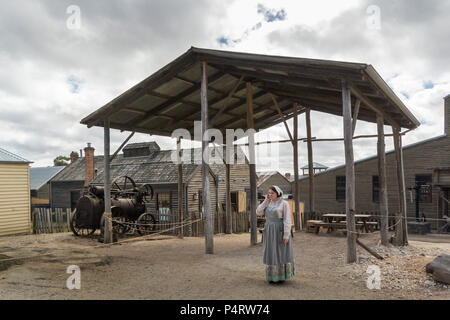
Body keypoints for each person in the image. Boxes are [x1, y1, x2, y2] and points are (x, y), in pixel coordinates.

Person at [256, 185, 295, 284]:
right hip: (269, 230)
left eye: (272, 193)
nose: (270, 194)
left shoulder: (284, 203)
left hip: (279, 230)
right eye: (269, 193)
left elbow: (287, 219)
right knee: (271, 252)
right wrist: (265, 201)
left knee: (280, 252)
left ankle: (281, 276)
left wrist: (286, 235)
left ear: (278, 193)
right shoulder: (268, 203)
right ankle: (271, 276)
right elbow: (258, 212)